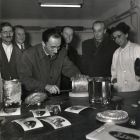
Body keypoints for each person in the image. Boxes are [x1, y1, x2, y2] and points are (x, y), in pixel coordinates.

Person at [19, 28, 80, 97]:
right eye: (52, 47)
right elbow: (24, 79)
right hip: (34, 97)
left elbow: (69, 68)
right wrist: (45, 86)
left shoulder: (62, 52)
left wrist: (79, 77)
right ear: (43, 44)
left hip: (54, 96)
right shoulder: (28, 55)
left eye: (58, 47)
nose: (56, 51)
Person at [111, 22, 140, 92]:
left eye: (119, 36)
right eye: (114, 38)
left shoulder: (137, 48)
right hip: (121, 90)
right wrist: (115, 82)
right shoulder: (116, 53)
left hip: (136, 89)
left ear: (126, 35)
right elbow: (113, 72)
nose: (117, 40)